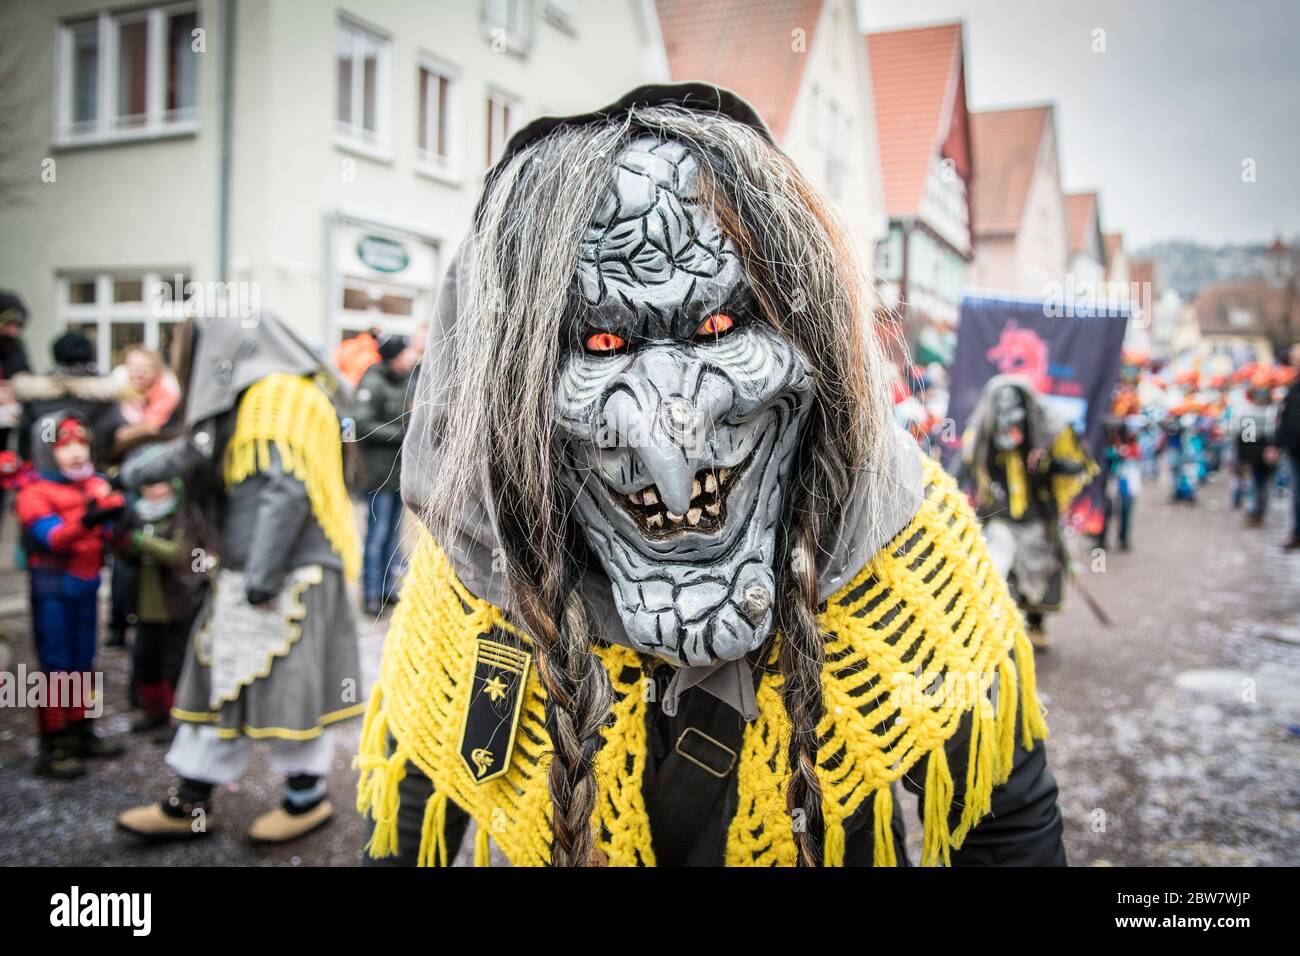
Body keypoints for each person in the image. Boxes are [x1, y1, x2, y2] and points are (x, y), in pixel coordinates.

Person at [355, 84, 1065, 868]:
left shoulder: (905, 558)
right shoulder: (475, 585)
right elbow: (408, 815)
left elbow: (1007, 828)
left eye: (722, 326)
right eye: (598, 348)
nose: (670, 442)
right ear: (499, 384)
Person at [115, 312, 363, 844]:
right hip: (264, 572)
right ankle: (199, 800)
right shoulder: (275, 392)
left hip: (280, 578)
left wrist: (261, 578)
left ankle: (295, 800)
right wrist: (134, 470)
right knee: (229, 685)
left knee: (277, 694)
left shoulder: (276, 398)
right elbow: (201, 451)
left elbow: (285, 488)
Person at [14, 413, 127, 779]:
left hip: (86, 587)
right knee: (56, 666)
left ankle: (81, 730)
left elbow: (113, 535)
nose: (77, 453)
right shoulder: (34, 492)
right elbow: (53, 538)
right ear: (47, 452)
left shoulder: (95, 484)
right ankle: (54, 743)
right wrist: (93, 517)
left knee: (84, 661)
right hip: (53, 590)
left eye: (82, 444)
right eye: (65, 446)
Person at [959, 375, 1097, 651]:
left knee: (1041, 574)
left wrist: (1046, 464)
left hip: (1039, 519)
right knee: (1000, 572)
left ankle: (1036, 624)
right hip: (1000, 519)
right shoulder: (982, 437)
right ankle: (1007, 628)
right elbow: (962, 469)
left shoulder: (1050, 433)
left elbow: (1078, 466)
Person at [115, 473, 204, 742]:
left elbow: (180, 554)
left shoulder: (184, 516)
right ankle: (154, 711)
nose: (154, 489)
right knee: (144, 659)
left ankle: (176, 718)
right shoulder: (139, 514)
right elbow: (127, 558)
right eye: (149, 483)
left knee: (173, 664)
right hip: (144, 603)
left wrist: (139, 541)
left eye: (159, 482)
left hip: (175, 604)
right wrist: (121, 542)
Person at [353, 333, 417, 616]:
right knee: (377, 535)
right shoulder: (373, 383)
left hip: (397, 476)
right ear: (394, 356)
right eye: (406, 353)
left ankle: (386, 589)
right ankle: (370, 592)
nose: (411, 358)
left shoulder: (405, 382)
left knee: (392, 535)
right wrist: (401, 435)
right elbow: (361, 424)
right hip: (378, 476)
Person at [13, 331, 126, 470]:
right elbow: (115, 438)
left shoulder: (37, 395)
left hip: (45, 476)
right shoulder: (104, 396)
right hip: (95, 474)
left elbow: (29, 442)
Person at [1235, 373, 1279, 527]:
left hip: (1268, 455)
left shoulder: (1273, 411)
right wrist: (1244, 459)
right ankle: (1253, 513)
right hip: (1253, 455)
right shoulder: (1247, 411)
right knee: (1254, 485)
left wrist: (1273, 448)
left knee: (1264, 486)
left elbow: (1276, 435)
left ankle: (1260, 512)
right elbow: (1245, 438)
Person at [1277, 345, 1300, 549]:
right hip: (1294, 449)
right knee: (1296, 494)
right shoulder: (1292, 390)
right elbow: (1284, 420)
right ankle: (1297, 532)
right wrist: (1276, 445)